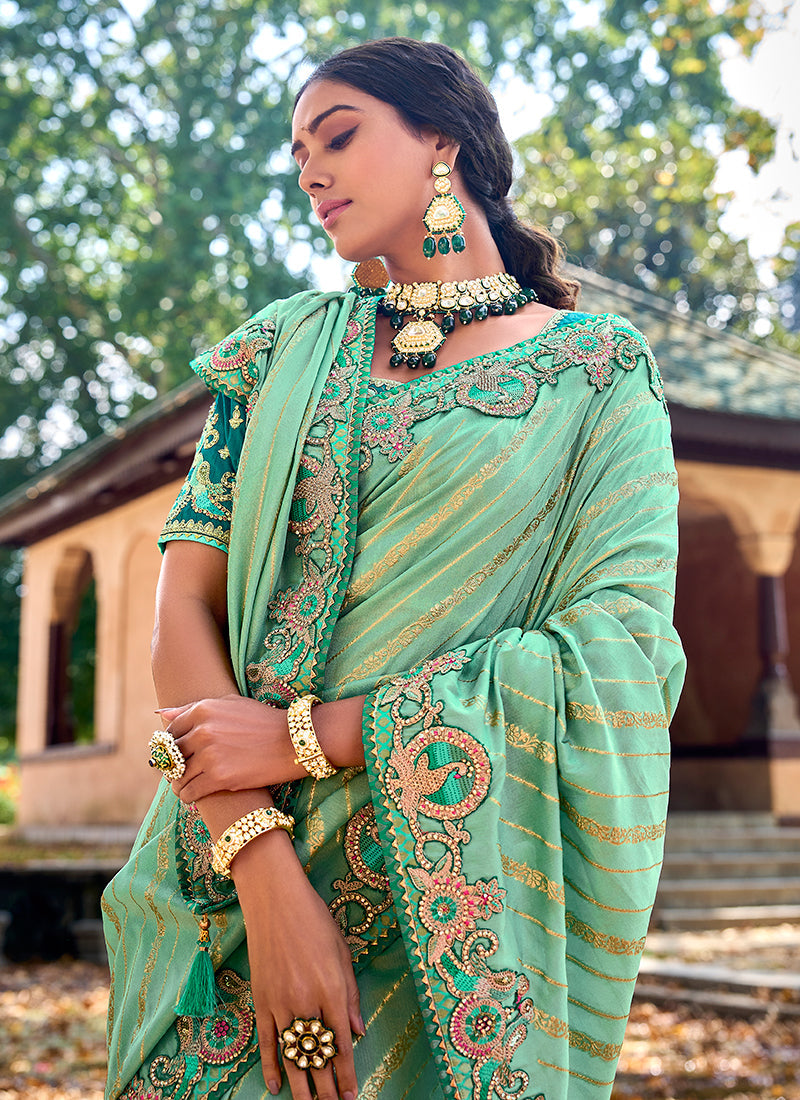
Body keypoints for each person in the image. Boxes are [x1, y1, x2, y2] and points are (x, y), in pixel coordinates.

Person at [102, 36, 685, 1100]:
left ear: (441, 145)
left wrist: (306, 733)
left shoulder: (596, 374)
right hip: (226, 889)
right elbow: (179, 607)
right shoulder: (279, 352)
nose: (310, 173)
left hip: (456, 913)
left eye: (337, 136)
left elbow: (620, 651)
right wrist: (264, 870)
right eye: (296, 156)